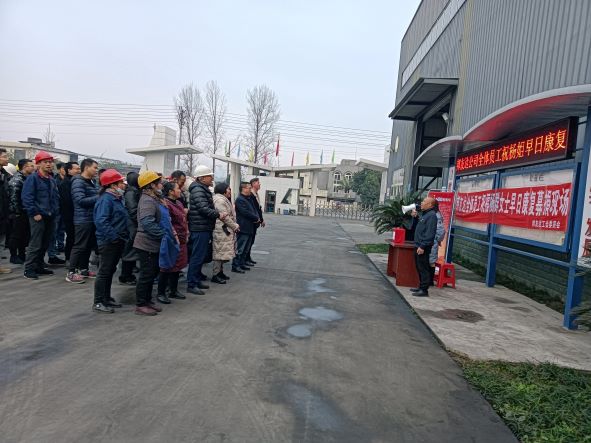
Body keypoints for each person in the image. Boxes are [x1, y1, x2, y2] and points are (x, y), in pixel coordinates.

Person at [92, 169, 129, 313]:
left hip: (116, 240)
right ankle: (98, 301)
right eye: (120, 183)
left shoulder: (116, 198)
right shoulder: (106, 200)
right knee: (104, 271)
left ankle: (106, 298)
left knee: (110, 270)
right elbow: (101, 221)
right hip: (108, 241)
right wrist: (113, 237)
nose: (123, 185)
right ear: (113, 185)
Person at [21, 151, 60, 279]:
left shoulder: (51, 179)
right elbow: (27, 198)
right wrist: (34, 213)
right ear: (38, 164)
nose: (49, 164)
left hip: (50, 215)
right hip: (38, 216)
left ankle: (39, 266)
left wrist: (55, 211)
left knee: (45, 243)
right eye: (45, 162)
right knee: (36, 243)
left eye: (50, 162)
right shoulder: (32, 179)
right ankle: (29, 269)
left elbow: (55, 198)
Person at [187, 165, 225, 295]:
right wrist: (218, 214)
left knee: (200, 256)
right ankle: (192, 283)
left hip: (203, 227)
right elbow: (203, 208)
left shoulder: (201, 189)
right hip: (199, 228)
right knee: (197, 256)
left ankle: (196, 279)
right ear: (202, 178)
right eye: (209, 176)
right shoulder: (198, 190)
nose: (212, 178)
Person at [133, 170, 165, 316]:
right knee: (146, 275)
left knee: (151, 274)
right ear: (151, 185)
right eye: (158, 182)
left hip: (151, 243)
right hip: (146, 244)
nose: (161, 185)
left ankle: (147, 300)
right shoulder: (147, 200)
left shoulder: (152, 198)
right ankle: (141, 304)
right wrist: (163, 234)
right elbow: (147, 223)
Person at [67, 158, 99, 283]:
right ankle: (71, 272)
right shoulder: (78, 182)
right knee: (79, 246)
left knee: (87, 246)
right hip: (82, 219)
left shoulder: (92, 181)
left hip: (91, 218)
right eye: (94, 168)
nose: (96, 170)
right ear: (86, 168)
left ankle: (83, 269)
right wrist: (99, 197)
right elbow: (80, 200)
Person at [157, 181, 188, 303]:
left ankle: (173, 290)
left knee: (177, 265)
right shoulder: (165, 204)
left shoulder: (178, 203)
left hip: (182, 238)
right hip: (171, 239)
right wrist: (173, 235)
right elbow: (167, 222)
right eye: (177, 188)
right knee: (167, 266)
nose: (180, 190)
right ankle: (161, 292)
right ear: (170, 191)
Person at [7, 159, 35, 264]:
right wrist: (17, 212)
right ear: (24, 167)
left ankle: (22, 254)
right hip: (18, 212)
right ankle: (13, 256)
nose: (33, 168)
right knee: (16, 235)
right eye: (31, 166)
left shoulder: (27, 178)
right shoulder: (17, 179)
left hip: (25, 211)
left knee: (24, 235)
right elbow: (13, 197)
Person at [212, 183, 239, 283]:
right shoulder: (220, 200)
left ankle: (220, 272)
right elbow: (225, 217)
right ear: (222, 190)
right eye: (228, 189)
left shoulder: (222, 199)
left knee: (222, 252)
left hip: (224, 230)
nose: (230, 191)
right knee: (219, 252)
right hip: (221, 230)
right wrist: (234, 226)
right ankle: (216, 274)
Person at [411, 197, 438, 297]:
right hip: (419, 245)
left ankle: (424, 290)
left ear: (430, 205)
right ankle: (420, 286)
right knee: (419, 267)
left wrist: (422, 246)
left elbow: (430, 233)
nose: (421, 203)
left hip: (423, 246)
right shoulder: (426, 214)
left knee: (423, 268)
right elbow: (422, 226)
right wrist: (416, 217)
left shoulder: (432, 216)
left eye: (424, 202)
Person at [232, 182, 260, 273]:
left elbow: (255, 210)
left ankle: (242, 263)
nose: (250, 189)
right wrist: (256, 218)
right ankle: (236, 265)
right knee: (240, 248)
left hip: (250, 227)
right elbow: (245, 212)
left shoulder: (248, 198)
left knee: (246, 248)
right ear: (243, 189)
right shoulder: (240, 200)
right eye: (248, 188)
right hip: (243, 227)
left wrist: (257, 217)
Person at [119, 171, 140, 285]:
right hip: (132, 227)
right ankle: (125, 276)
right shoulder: (131, 193)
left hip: (132, 226)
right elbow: (133, 211)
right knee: (129, 252)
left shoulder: (133, 191)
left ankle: (128, 274)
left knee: (131, 251)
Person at [58, 161, 80, 261]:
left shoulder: (76, 181)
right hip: (70, 215)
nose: (79, 171)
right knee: (71, 237)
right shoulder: (66, 183)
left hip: (75, 214)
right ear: (69, 170)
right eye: (77, 169)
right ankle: (69, 259)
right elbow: (67, 201)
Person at [245, 177, 265, 266]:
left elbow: (258, 209)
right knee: (248, 241)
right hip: (251, 222)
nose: (260, 184)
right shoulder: (251, 195)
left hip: (255, 221)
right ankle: (245, 259)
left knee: (251, 241)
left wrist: (261, 219)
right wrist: (258, 219)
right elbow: (254, 209)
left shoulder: (256, 194)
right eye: (258, 182)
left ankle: (248, 258)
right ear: (253, 184)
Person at [429, 200, 446, 286]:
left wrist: (437, 240)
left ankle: (430, 281)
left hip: (432, 242)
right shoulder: (431, 214)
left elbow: (441, 230)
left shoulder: (437, 216)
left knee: (431, 261)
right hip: (430, 241)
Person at [0, 149, 11, 274]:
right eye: (4, 156)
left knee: (1, 241)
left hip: (3, 212)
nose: (7, 158)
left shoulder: (5, 175)